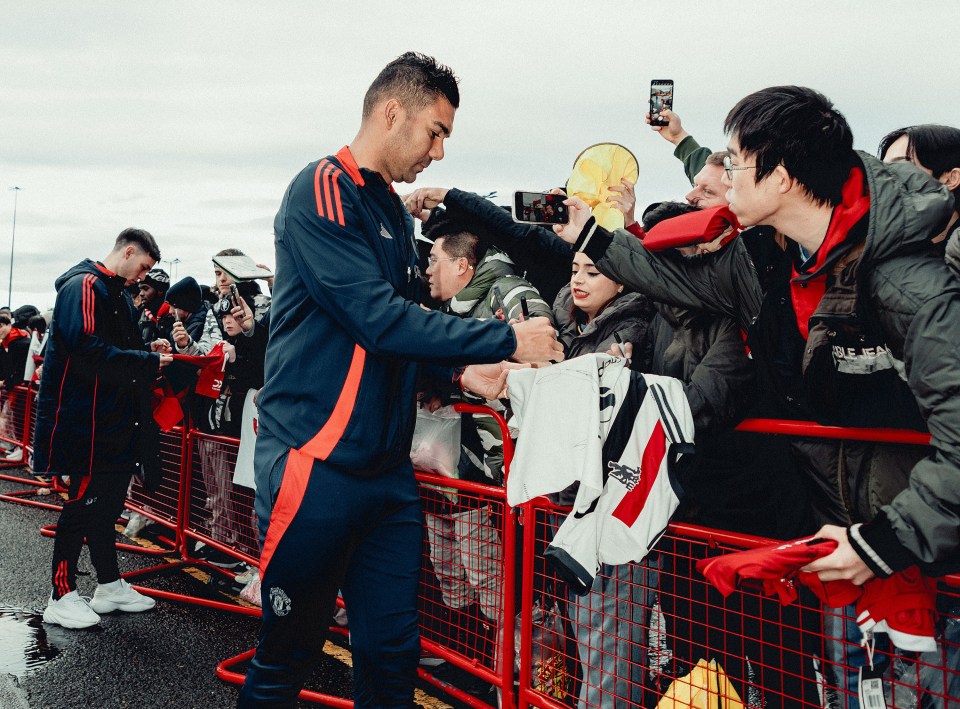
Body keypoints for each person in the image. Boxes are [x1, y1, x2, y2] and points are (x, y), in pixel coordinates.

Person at [555, 86, 960, 706]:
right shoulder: (763, 257)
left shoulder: (911, 282)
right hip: (835, 539)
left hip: (919, 556)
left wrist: (883, 541)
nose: (723, 174)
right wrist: (592, 234)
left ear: (783, 178)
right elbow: (661, 273)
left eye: (736, 161)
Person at [239, 52, 561, 707]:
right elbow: (377, 319)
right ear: (392, 113)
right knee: (286, 660)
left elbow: (403, 332)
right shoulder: (322, 187)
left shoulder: (388, 208)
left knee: (391, 659)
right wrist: (507, 338)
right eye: (434, 132)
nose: (439, 152)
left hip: (385, 476)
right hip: (316, 464)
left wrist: (461, 368)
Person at [33, 228, 172, 629]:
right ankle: (60, 595)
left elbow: (112, 352)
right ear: (128, 252)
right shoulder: (86, 285)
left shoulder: (112, 291)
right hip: (87, 423)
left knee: (106, 506)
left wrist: (149, 352)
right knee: (81, 506)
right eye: (142, 267)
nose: (141, 277)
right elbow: (86, 348)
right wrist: (147, 362)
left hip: (110, 423)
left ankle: (108, 584)